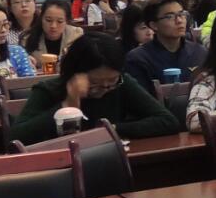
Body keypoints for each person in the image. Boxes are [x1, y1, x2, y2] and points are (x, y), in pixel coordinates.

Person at [10, 34, 180, 144]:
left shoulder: (122, 84)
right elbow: (15, 138)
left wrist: (111, 129)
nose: (105, 87)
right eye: (94, 82)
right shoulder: (49, 90)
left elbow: (167, 121)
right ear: (75, 73)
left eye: (111, 80)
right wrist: (67, 106)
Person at [124, 0, 209, 94]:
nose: (179, 20)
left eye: (181, 14)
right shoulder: (138, 59)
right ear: (154, 25)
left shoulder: (199, 52)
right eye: (170, 17)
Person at [25, 0, 83, 66]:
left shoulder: (76, 35)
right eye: (48, 20)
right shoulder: (27, 38)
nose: (53, 26)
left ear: (67, 21)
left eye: (60, 21)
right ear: (41, 18)